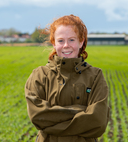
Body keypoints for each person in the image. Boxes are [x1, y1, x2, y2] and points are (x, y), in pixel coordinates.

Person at [25, 14, 110, 142]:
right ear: (53, 43)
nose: (66, 45)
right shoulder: (39, 75)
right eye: (60, 40)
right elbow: (38, 116)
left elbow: (97, 122)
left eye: (71, 40)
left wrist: (51, 124)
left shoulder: (95, 76)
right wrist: (81, 111)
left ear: (81, 41)